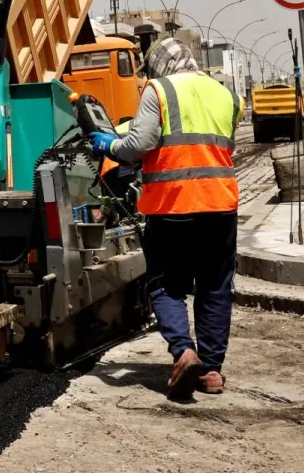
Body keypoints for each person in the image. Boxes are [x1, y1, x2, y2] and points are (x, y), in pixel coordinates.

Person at [90, 38, 239, 398]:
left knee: (165, 284)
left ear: (157, 68)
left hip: (173, 207)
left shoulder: (159, 90)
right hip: (220, 204)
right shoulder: (226, 95)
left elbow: (138, 145)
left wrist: (106, 144)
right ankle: (212, 371)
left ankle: (183, 352)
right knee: (215, 287)